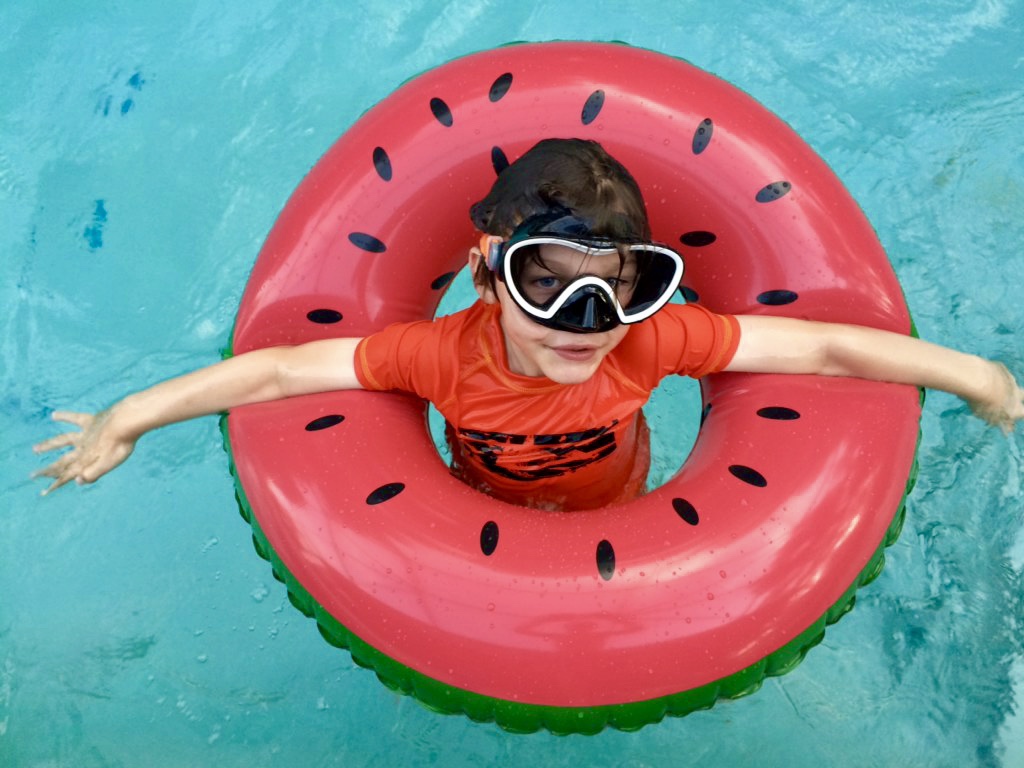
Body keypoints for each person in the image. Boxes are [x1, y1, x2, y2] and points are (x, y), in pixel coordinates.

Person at [32, 138, 1024, 509]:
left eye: (618, 287)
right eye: (546, 284)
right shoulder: (435, 356)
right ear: (486, 276)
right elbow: (282, 373)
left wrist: (975, 375)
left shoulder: (651, 339)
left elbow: (821, 344)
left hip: (628, 497)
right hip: (473, 499)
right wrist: (130, 416)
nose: (584, 321)